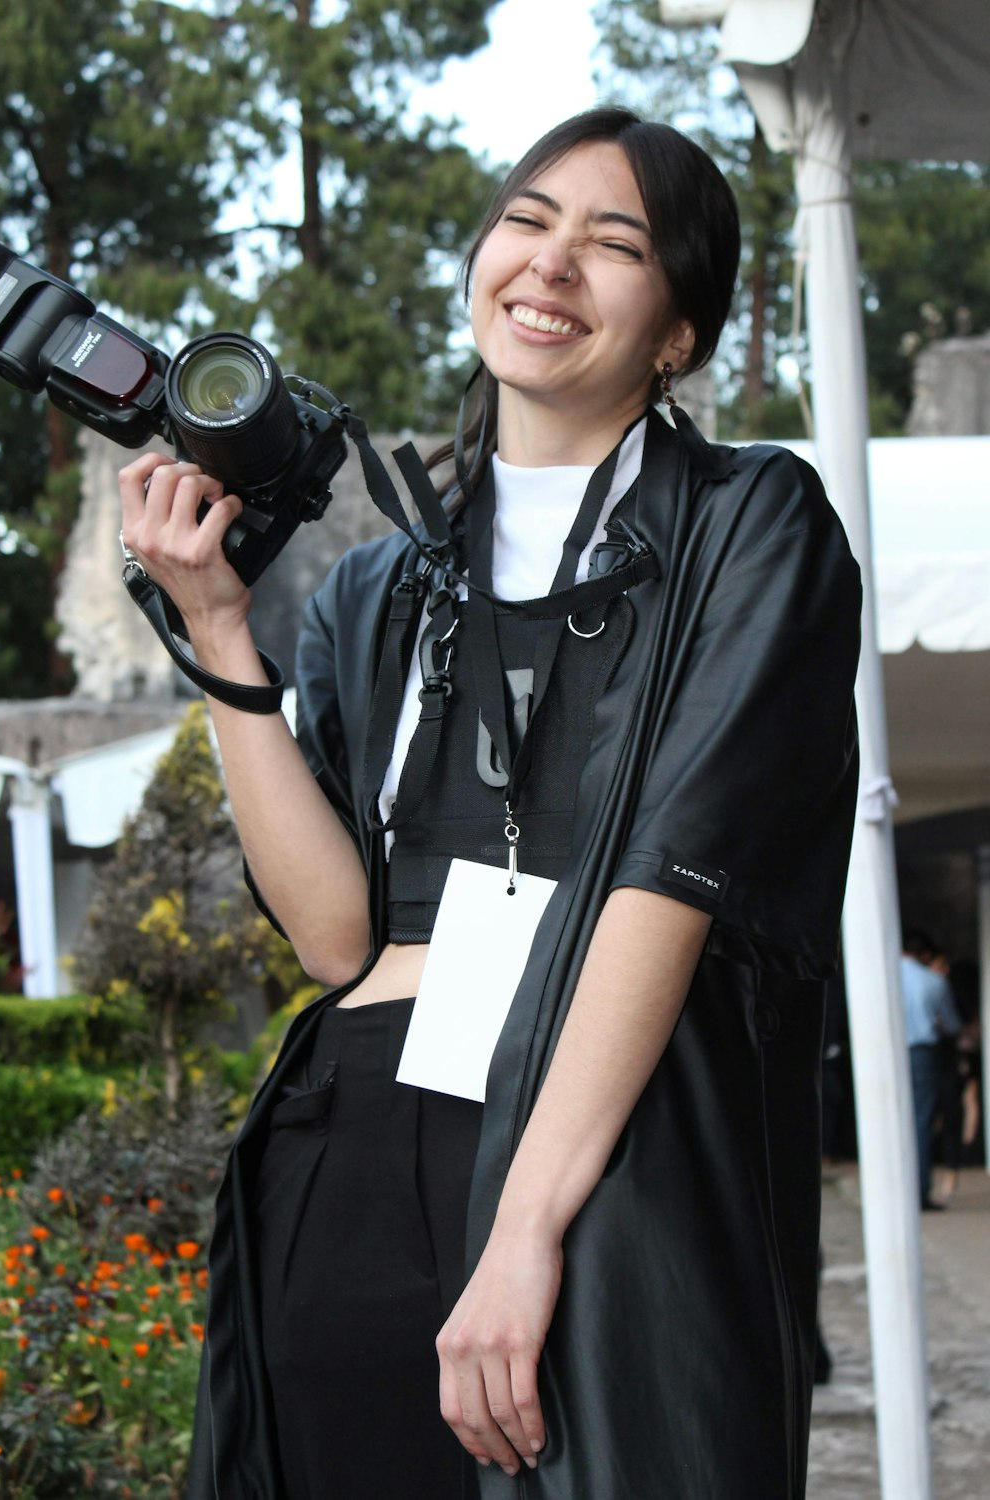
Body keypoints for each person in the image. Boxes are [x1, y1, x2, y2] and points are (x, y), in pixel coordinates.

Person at [119, 108, 861, 1500]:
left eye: (616, 241)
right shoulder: (381, 586)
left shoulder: (753, 527)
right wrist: (221, 633)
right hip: (354, 1139)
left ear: (679, 336)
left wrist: (524, 1231)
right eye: (528, 219)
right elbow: (337, 936)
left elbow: (673, 877)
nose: (553, 261)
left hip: (603, 1161)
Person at [900, 931, 961, 1210]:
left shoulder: (883, 974)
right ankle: (919, 1191)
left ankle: (894, 1190)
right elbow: (951, 1025)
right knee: (921, 1121)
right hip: (922, 1052)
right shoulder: (933, 982)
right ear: (925, 955)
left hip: (885, 1051)